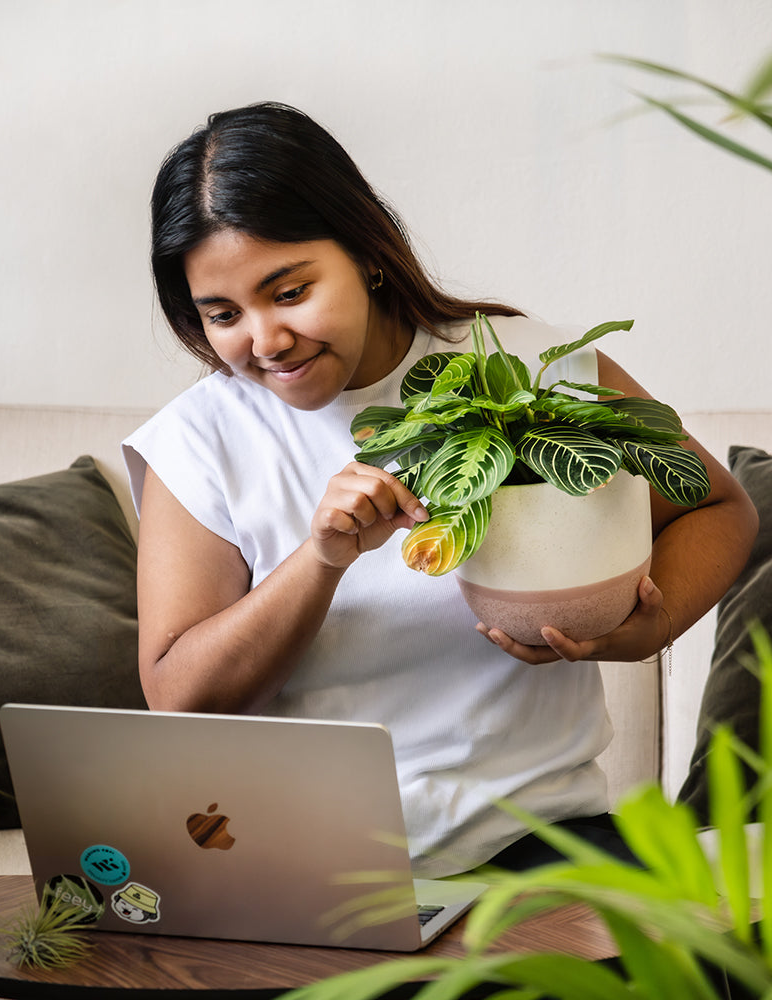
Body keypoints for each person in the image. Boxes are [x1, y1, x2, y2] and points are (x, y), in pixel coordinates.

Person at [122, 102, 757, 877]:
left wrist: (642, 634)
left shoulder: (521, 365)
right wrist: (320, 560)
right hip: (309, 864)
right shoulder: (199, 438)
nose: (264, 340)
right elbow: (179, 696)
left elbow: (716, 505)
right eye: (222, 314)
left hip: (547, 842)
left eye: (288, 292)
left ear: (366, 252)